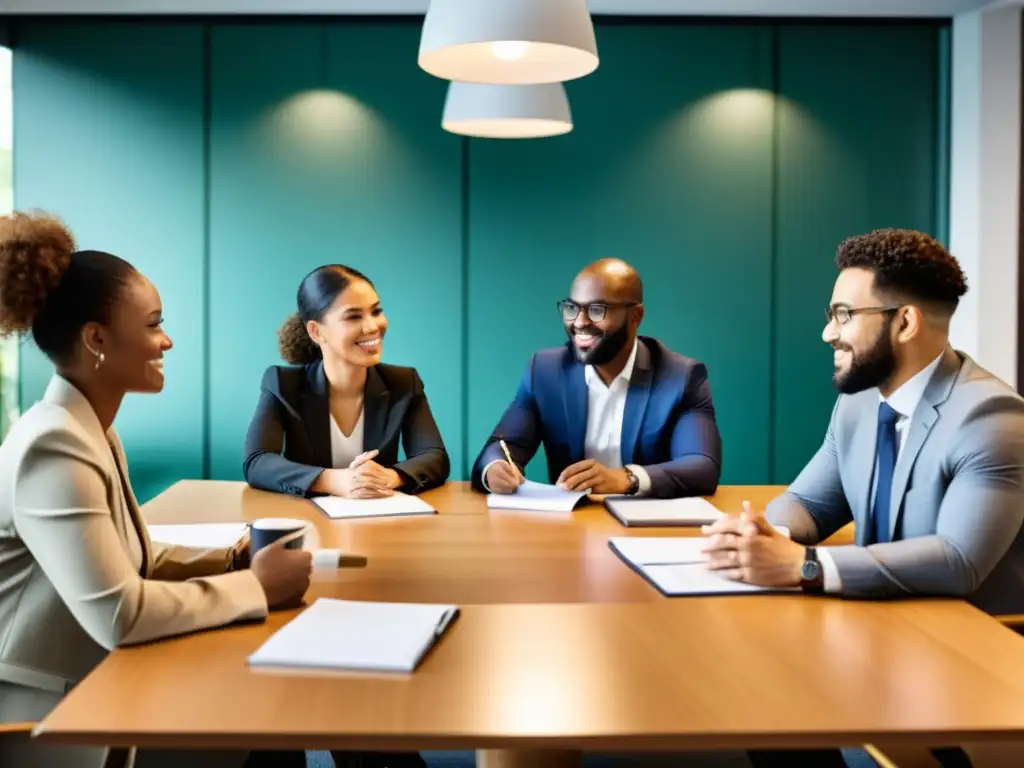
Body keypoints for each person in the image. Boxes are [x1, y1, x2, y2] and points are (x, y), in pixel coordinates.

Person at [0, 212, 312, 768]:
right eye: (152, 324)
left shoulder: (87, 425)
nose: (166, 339)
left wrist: (230, 560)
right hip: (48, 713)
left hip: (98, 679)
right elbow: (120, 613)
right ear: (96, 338)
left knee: (273, 721)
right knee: (266, 721)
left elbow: (132, 558)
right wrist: (257, 588)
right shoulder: (53, 446)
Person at [702, 229, 1024, 768]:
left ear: (905, 322)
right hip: (882, 630)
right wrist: (763, 536)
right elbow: (807, 501)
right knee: (755, 693)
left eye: (843, 314)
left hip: (965, 663)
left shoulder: (991, 418)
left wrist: (802, 566)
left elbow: (958, 561)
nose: (828, 332)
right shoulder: (859, 405)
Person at [472, 258, 722, 498]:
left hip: (650, 529)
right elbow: (501, 447)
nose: (579, 322)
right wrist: (494, 468)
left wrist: (626, 479)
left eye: (597, 310)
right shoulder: (546, 371)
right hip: (572, 526)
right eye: (572, 308)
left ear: (636, 317)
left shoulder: (681, 377)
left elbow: (702, 466)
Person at [243, 264, 450, 500]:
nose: (373, 326)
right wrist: (334, 480)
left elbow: (434, 456)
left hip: (380, 520)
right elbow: (257, 462)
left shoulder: (403, 383)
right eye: (354, 316)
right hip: (308, 521)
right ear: (317, 332)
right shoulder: (282, 383)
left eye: (376, 311)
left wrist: (389, 477)